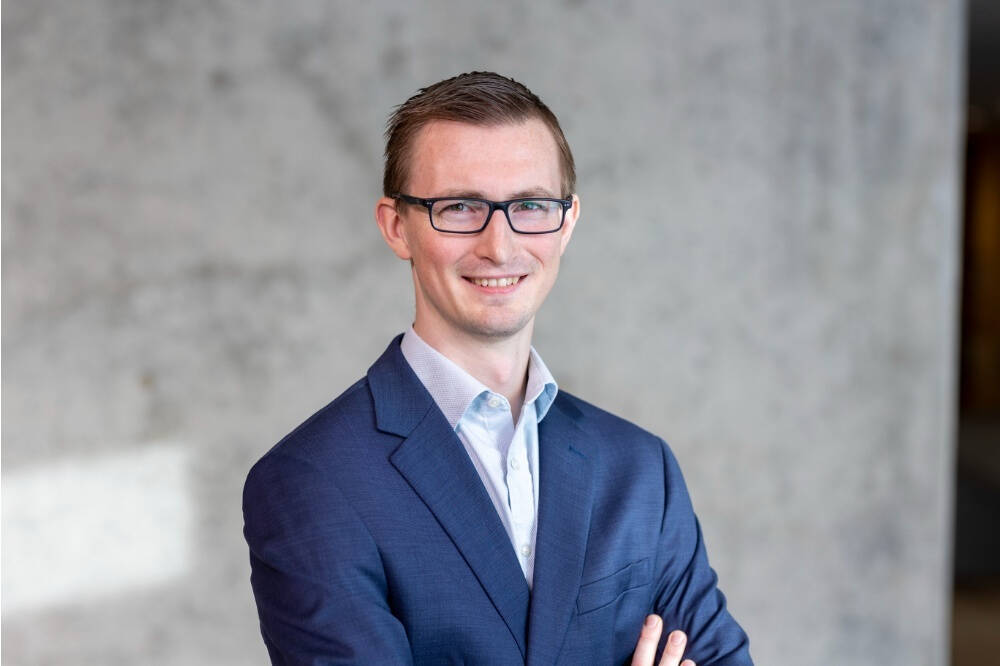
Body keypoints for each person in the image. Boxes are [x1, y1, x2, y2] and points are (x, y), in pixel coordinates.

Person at [243, 71, 752, 666]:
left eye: (530, 205)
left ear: (567, 221)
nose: (500, 245)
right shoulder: (312, 482)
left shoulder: (641, 470)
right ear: (396, 225)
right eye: (459, 207)